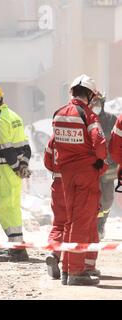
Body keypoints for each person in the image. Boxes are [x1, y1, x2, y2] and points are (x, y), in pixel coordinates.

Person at [52, 74, 107, 286]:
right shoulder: (88, 116)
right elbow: (100, 144)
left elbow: (55, 145)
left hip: (66, 174)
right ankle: (75, 272)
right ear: (90, 94)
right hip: (86, 173)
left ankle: (67, 270)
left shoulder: (58, 114)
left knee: (70, 220)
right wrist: (100, 161)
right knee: (82, 222)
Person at [0, 83, 32, 263]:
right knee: (12, 205)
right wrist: (23, 165)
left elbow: (6, 149)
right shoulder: (14, 116)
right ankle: (16, 245)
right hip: (14, 170)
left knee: (4, 207)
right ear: (2, 98)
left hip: (5, 168)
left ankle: (17, 249)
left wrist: (16, 167)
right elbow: (26, 147)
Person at [90, 92, 118, 240]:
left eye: (98, 103)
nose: (96, 106)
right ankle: (94, 226)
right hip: (91, 167)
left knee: (107, 199)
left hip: (108, 167)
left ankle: (101, 223)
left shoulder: (110, 120)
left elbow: (117, 141)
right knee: (93, 198)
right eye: (93, 103)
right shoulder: (86, 119)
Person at [44, 137, 66, 280]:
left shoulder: (53, 138)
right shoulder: (85, 134)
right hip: (77, 185)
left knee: (59, 224)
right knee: (77, 226)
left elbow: (47, 162)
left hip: (58, 184)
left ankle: (53, 253)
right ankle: (75, 267)